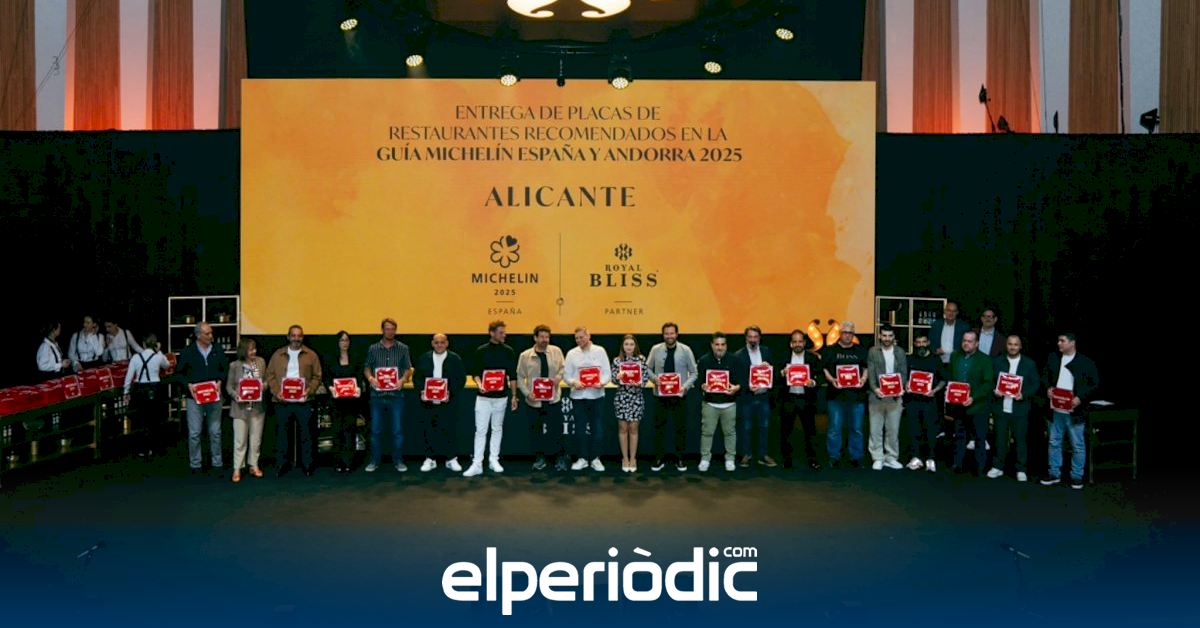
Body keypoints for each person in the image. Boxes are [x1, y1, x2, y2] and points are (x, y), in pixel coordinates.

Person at [1040, 332, 1099, 490]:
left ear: (1072, 343)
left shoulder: (1085, 362)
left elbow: (1094, 384)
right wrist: (1048, 388)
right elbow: (1044, 376)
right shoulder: (1053, 358)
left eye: (1062, 341)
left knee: (1077, 444)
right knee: (1054, 442)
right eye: (1058, 340)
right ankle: (1054, 473)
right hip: (1055, 409)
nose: (1058, 343)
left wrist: (1080, 398)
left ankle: (1077, 476)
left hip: (1074, 411)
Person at [266, 325, 323, 477]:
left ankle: (307, 465)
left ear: (302, 337)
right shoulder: (277, 355)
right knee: (282, 435)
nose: (296, 338)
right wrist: (276, 392)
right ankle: (281, 464)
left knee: (306, 434)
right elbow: (270, 375)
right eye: (293, 335)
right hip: (282, 401)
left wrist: (309, 390)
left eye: (299, 336)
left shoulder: (311, 355)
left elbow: (317, 376)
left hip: (304, 400)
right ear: (288, 337)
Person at [174, 321, 229, 476]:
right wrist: (188, 385)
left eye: (211, 333)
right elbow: (179, 374)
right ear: (198, 335)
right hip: (194, 398)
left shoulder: (218, 349)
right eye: (207, 333)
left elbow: (225, 369)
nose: (211, 336)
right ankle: (195, 464)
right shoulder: (188, 352)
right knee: (194, 433)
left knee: (215, 431)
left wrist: (220, 381)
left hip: (214, 396)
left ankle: (217, 463)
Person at [464, 320, 518, 477]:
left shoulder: (509, 351)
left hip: (501, 398)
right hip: (483, 398)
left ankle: (494, 460)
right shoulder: (481, 351)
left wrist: (514, 396)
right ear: (492, 333)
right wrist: (480, 384)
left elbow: (512, 376)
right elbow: (475, 373)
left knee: (497, 428)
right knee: (480, 431)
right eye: (501, 333)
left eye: (504, 332)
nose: (504, 335)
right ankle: (477, 463)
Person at [987, 334, 1040, 482]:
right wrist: (994, 390)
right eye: (1010, 344)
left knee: (1020, 439)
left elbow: (1035, 384)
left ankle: (1021, 469)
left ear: (1020, 346)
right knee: (999, 438)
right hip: (1001, 406)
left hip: (1020, 408)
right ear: (1006, 345)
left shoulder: (1029, 364)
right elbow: (989, 380)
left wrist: (1024, 394)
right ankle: (997, 466)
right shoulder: (997, 361)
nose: (1012, 347)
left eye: (1016, 344)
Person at [646, 322, 697, 472]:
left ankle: (679, 458)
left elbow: (694, 373)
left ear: (677, 334)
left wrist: (685, 386)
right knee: (659, 428)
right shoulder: (655, 349)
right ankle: (659, 458)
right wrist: (654, 379)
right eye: (666, 333)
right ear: (663, 335)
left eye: (672, 333)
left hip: (679, 396)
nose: (669, 336)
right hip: (660, 396)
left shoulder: (686, 350)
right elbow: (646, 368)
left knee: (680, 428)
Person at [363, 317, 412, 474]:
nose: (390, 331)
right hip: (377, 396)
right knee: (375, 431)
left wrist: (403, 379)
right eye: (387, 329)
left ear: (395, 331)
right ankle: (374, 461)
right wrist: (370, 378)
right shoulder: (373, 348)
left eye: (392, 329)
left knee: (397, 431)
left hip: (396, 395)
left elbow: (408, 369)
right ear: (382, 330)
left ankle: (398, 461)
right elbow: (367, 367)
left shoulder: (403, 348)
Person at [516, 324, 567, 472]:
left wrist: (558, 378)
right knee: (536, 431)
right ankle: (539, 458)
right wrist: (527, 393)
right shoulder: (525, 356)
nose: (545, 340)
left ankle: (559, 458)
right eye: (542, 337)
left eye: (547, 337)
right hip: (534, 402)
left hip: (553, 399)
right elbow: (520, 377)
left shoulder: (556, 351)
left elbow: (563, 368)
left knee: (556, 431)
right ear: (535, 338)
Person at [413, 333, 466, 473]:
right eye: (436, 342)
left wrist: (450, 393)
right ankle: (430, 459)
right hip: (428, 403)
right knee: (428, 430)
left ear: (447, 343)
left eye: (442, 342)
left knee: (450, 430)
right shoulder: (424, 358)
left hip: (448, 403)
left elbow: (461, 379)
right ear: (432, 343)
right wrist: (422, 392)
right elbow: (417, 378)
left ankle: (451, 459)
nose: (439, 345)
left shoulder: (455, 359)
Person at [565, 326, 612, 471]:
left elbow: (607, 373)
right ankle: (582, 458)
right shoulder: (571, 353)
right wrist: (574, 382)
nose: (579, 340)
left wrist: (602, 382)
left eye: (581, 337)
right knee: (579, 429)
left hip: (596, 396)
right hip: (578, 397)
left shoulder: (600, 351)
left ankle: (596, 459)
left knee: (597, 429)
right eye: (576, 338)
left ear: (588, 336)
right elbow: (567, 376)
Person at [822, 321, 869, 468]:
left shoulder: (860, 350)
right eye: (845, 332)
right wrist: (832, 380)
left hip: (856, 396)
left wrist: (863, 379)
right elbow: (824, 369)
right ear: (840, 333)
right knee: (834, 429)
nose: (848, 335)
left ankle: (856, 457)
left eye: (850, 333)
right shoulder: (830, 350)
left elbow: (866, 368)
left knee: (857, 429)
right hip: (835, 396)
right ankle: (834, 456)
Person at [949, 331, 995, 475]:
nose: (966, 344)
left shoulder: (985, 360)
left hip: (978, 406)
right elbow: (951, 377)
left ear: (976, 343)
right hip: (958, 405)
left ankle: (980, 467)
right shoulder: (955, 356)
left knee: (980, 437)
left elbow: (988, 384)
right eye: (964, 340)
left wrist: (973, 398)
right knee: (959, 435)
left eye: (970, 341)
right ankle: (958, 464)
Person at [696, 332, 741, 472]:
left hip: (729, 404)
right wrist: (702, 386)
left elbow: (741, 381)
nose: (719, 347)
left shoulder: (735, 360)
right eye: (717, 344)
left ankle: (730, 459)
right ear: (712, 345)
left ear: (726, 345)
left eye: (722, 344)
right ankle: (705, 459)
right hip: (710, 404)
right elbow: (698, 380)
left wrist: (736, 388)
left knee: (730, 433)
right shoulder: (704, 360)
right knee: (707, 433)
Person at [734, 325, 777, 468]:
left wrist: (768, 368)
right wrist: (747, 386)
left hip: (764, 396)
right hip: (747, 397)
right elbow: (737, 378)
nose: (753, 340)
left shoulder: (766, 352)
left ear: (760, 338)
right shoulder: (738, 355)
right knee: (746, 427)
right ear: (745, 338)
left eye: (755, 337)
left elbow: (774, 373)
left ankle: (763, 455)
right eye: (750, 337)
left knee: (764, 426)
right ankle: (746, 454)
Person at [778, 329, 821, 470]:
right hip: (789, 398)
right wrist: (782, 373)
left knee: (810, 431)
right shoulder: (783, 357)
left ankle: (812, 459)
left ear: (805, 343)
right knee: (786, 431)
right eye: (795, 342)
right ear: (791, 344)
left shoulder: (812, 358)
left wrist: (813, 382)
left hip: (806, 399)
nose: (797, 344)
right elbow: (774, 377)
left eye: (800, 341)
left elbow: (820, 376)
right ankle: (787, 459)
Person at [867, 324, 908, 470]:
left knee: (893, 429)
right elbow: (871, 373)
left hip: (895, 397)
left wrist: (901, 387)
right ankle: (877, 457)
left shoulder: (900, 352)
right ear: (879, 336)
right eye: (884, 335)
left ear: (894, 337)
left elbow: (903, 372)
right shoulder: (873, 351)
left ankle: (891, 457)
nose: (887, 338)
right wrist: (875, 388)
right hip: (877, 396)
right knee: (875, 429)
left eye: (890, 336)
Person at [226, 338, 266, 482]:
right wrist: (235, 396)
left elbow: (265, 380)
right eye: (250, 349)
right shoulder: (234, 365)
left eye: (254, 348)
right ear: (243, 351)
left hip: (257, 408)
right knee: (240, 440)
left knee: (256, 439)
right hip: (240, 408)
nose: (253, 352)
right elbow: (229, 386)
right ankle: (237, 468)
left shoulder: (260, 362)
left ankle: (253, 465)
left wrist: (264, 386)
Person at [123, 332, 169, 458]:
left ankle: (143, 448)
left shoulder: (136, 358)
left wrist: (126, 392)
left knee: (141, 419)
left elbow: (128, 377)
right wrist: (159, 351)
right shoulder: (158, 357)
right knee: (155, 418)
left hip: (140, 389)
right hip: (155, 387)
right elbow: (167, 365)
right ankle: (155, 447)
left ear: (143, 344)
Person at [904, 334, 945, 472]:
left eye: (923, 342)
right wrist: (906, 384)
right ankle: (916, 458)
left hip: (929, 401)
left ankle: (931, 458)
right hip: (913, 401)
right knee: (914, 430)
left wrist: (935, 390)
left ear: (928, 343)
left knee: (930, 431)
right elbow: (904, 377)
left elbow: (943, 379)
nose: (921, 345)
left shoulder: (935, 359)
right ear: (914, 344)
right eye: (918, 342)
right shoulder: (910, 359)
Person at [325, 331, 363, 473]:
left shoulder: (356, 357)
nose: (345, 343)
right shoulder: (330, 358)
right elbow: (327, 377)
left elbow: (359, 377)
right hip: (336, 401)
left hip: (351, 402)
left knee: (350, 431)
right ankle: (337, 462)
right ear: (337, 342)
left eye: (347, 340)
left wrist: (358, 388)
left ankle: (349, 462)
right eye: (342, 340)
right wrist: (330, 388)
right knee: (337, 431)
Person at [612, 334, 649, 472]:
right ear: (623, 346)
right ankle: (625, 458)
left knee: (633, 428)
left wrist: (640, 382)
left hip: (636, 397)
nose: (629, 347)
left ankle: (633, 458)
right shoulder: (617, 361)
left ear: (635, 346)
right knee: (623, 428)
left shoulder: (641, 359)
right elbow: (613, 379)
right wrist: (617, 377)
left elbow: (645, 378)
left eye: (631, 344)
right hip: (622, 397)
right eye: (626, 344)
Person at [930, 301, 969, 366]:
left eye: (954, 311)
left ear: (957, 312)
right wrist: (935, 350)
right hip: (938, 361)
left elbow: (968, 344)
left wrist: (958, 352)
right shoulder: (936, 325)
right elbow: (930, 341)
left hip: (957, 362)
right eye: (949, 310)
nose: (951, 313)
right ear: (944, 311)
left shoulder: (964, 326)